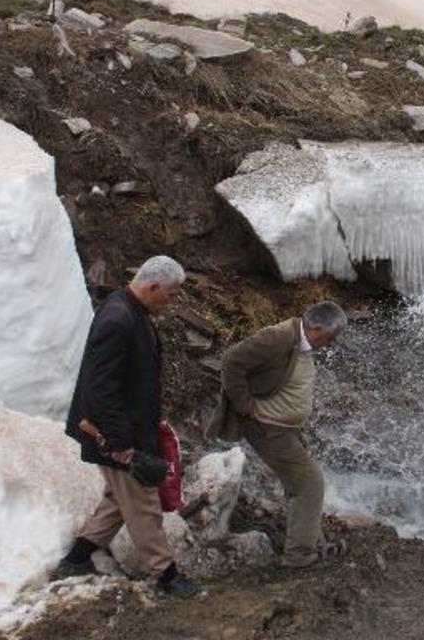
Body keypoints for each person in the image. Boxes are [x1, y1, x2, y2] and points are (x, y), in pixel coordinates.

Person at [55, 255, 198, 598]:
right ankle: (165, 574)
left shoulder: (131, 310)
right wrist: (122, 443)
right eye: (172, 294)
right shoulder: (119, 319)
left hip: (128, 429)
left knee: (118, 499)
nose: (173, 301)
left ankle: (77, 557)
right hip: (117, 434)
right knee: (143, 504)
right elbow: (100, 387)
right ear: (152, 287)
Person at [211, 301, 348, 568]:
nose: (332, 343)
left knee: (299, 484)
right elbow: (231, 362)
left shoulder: (302, 342)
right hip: (268, 428)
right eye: (331, 336)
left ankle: (311, 543)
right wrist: (245, 405)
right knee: (310, 483)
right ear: (317, 328)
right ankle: (299, 556)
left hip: (285, 428)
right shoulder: (278, 337)